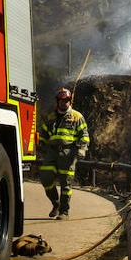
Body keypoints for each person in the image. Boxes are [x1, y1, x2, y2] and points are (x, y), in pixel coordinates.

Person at [37, 87, 89, 219]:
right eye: (61, 100)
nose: (63, 102)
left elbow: (84, 134)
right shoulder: (51, 117)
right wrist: (41, 144)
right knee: (46, 178)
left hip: (68, 153)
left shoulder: (77, 117)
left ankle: (64, 212)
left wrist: (82, 149)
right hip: (52, 152)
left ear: (70, 101)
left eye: (66, 100)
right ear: (57, 101)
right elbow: (44, 133)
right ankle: (56, 203)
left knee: (66, 183)